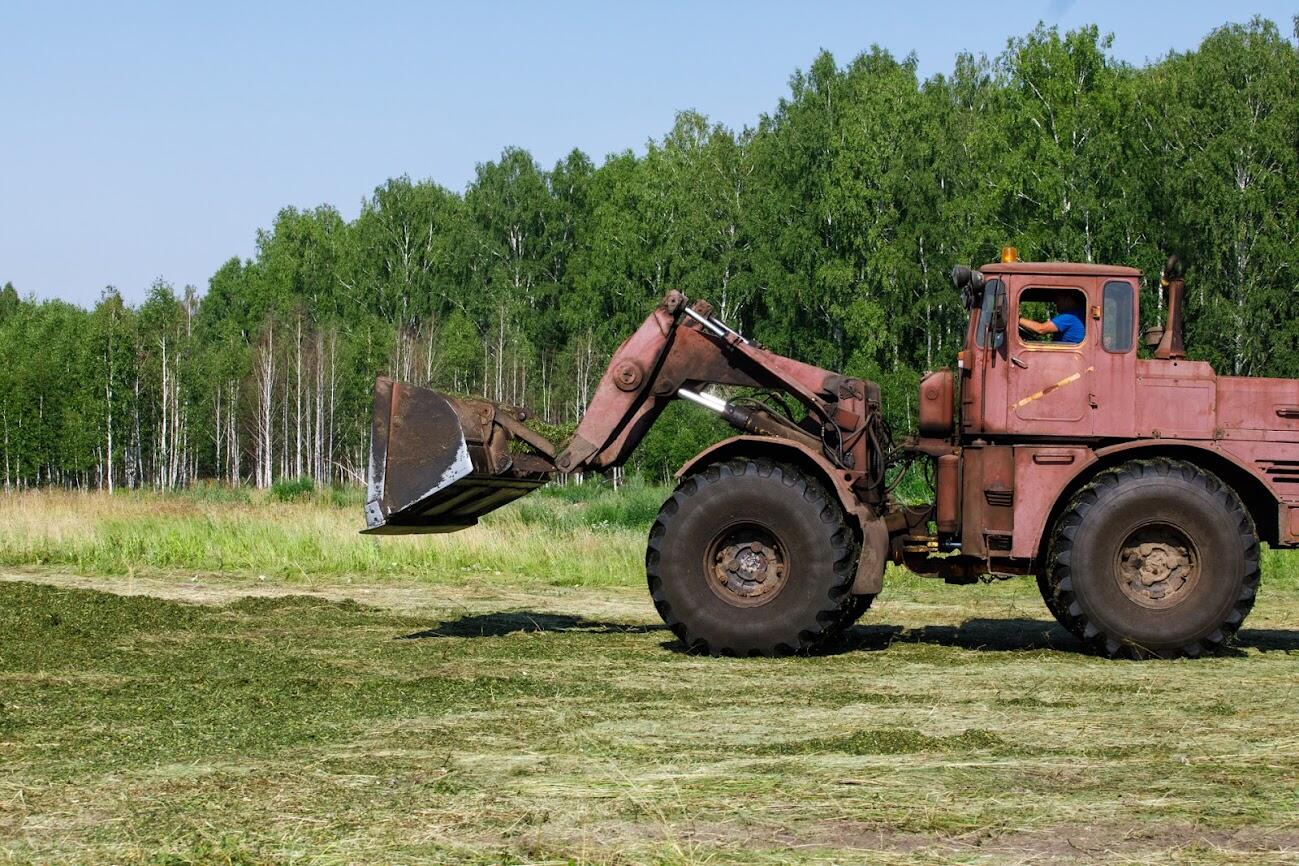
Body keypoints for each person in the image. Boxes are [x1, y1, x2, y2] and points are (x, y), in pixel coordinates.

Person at [1019, 292, 1085, 343]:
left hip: (1064, 356)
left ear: (1068, 299)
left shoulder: (1070, 316)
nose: (1056, 303)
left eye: (1058, 299)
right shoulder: (1079, 313)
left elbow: (1040, 329)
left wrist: (1017, 319)